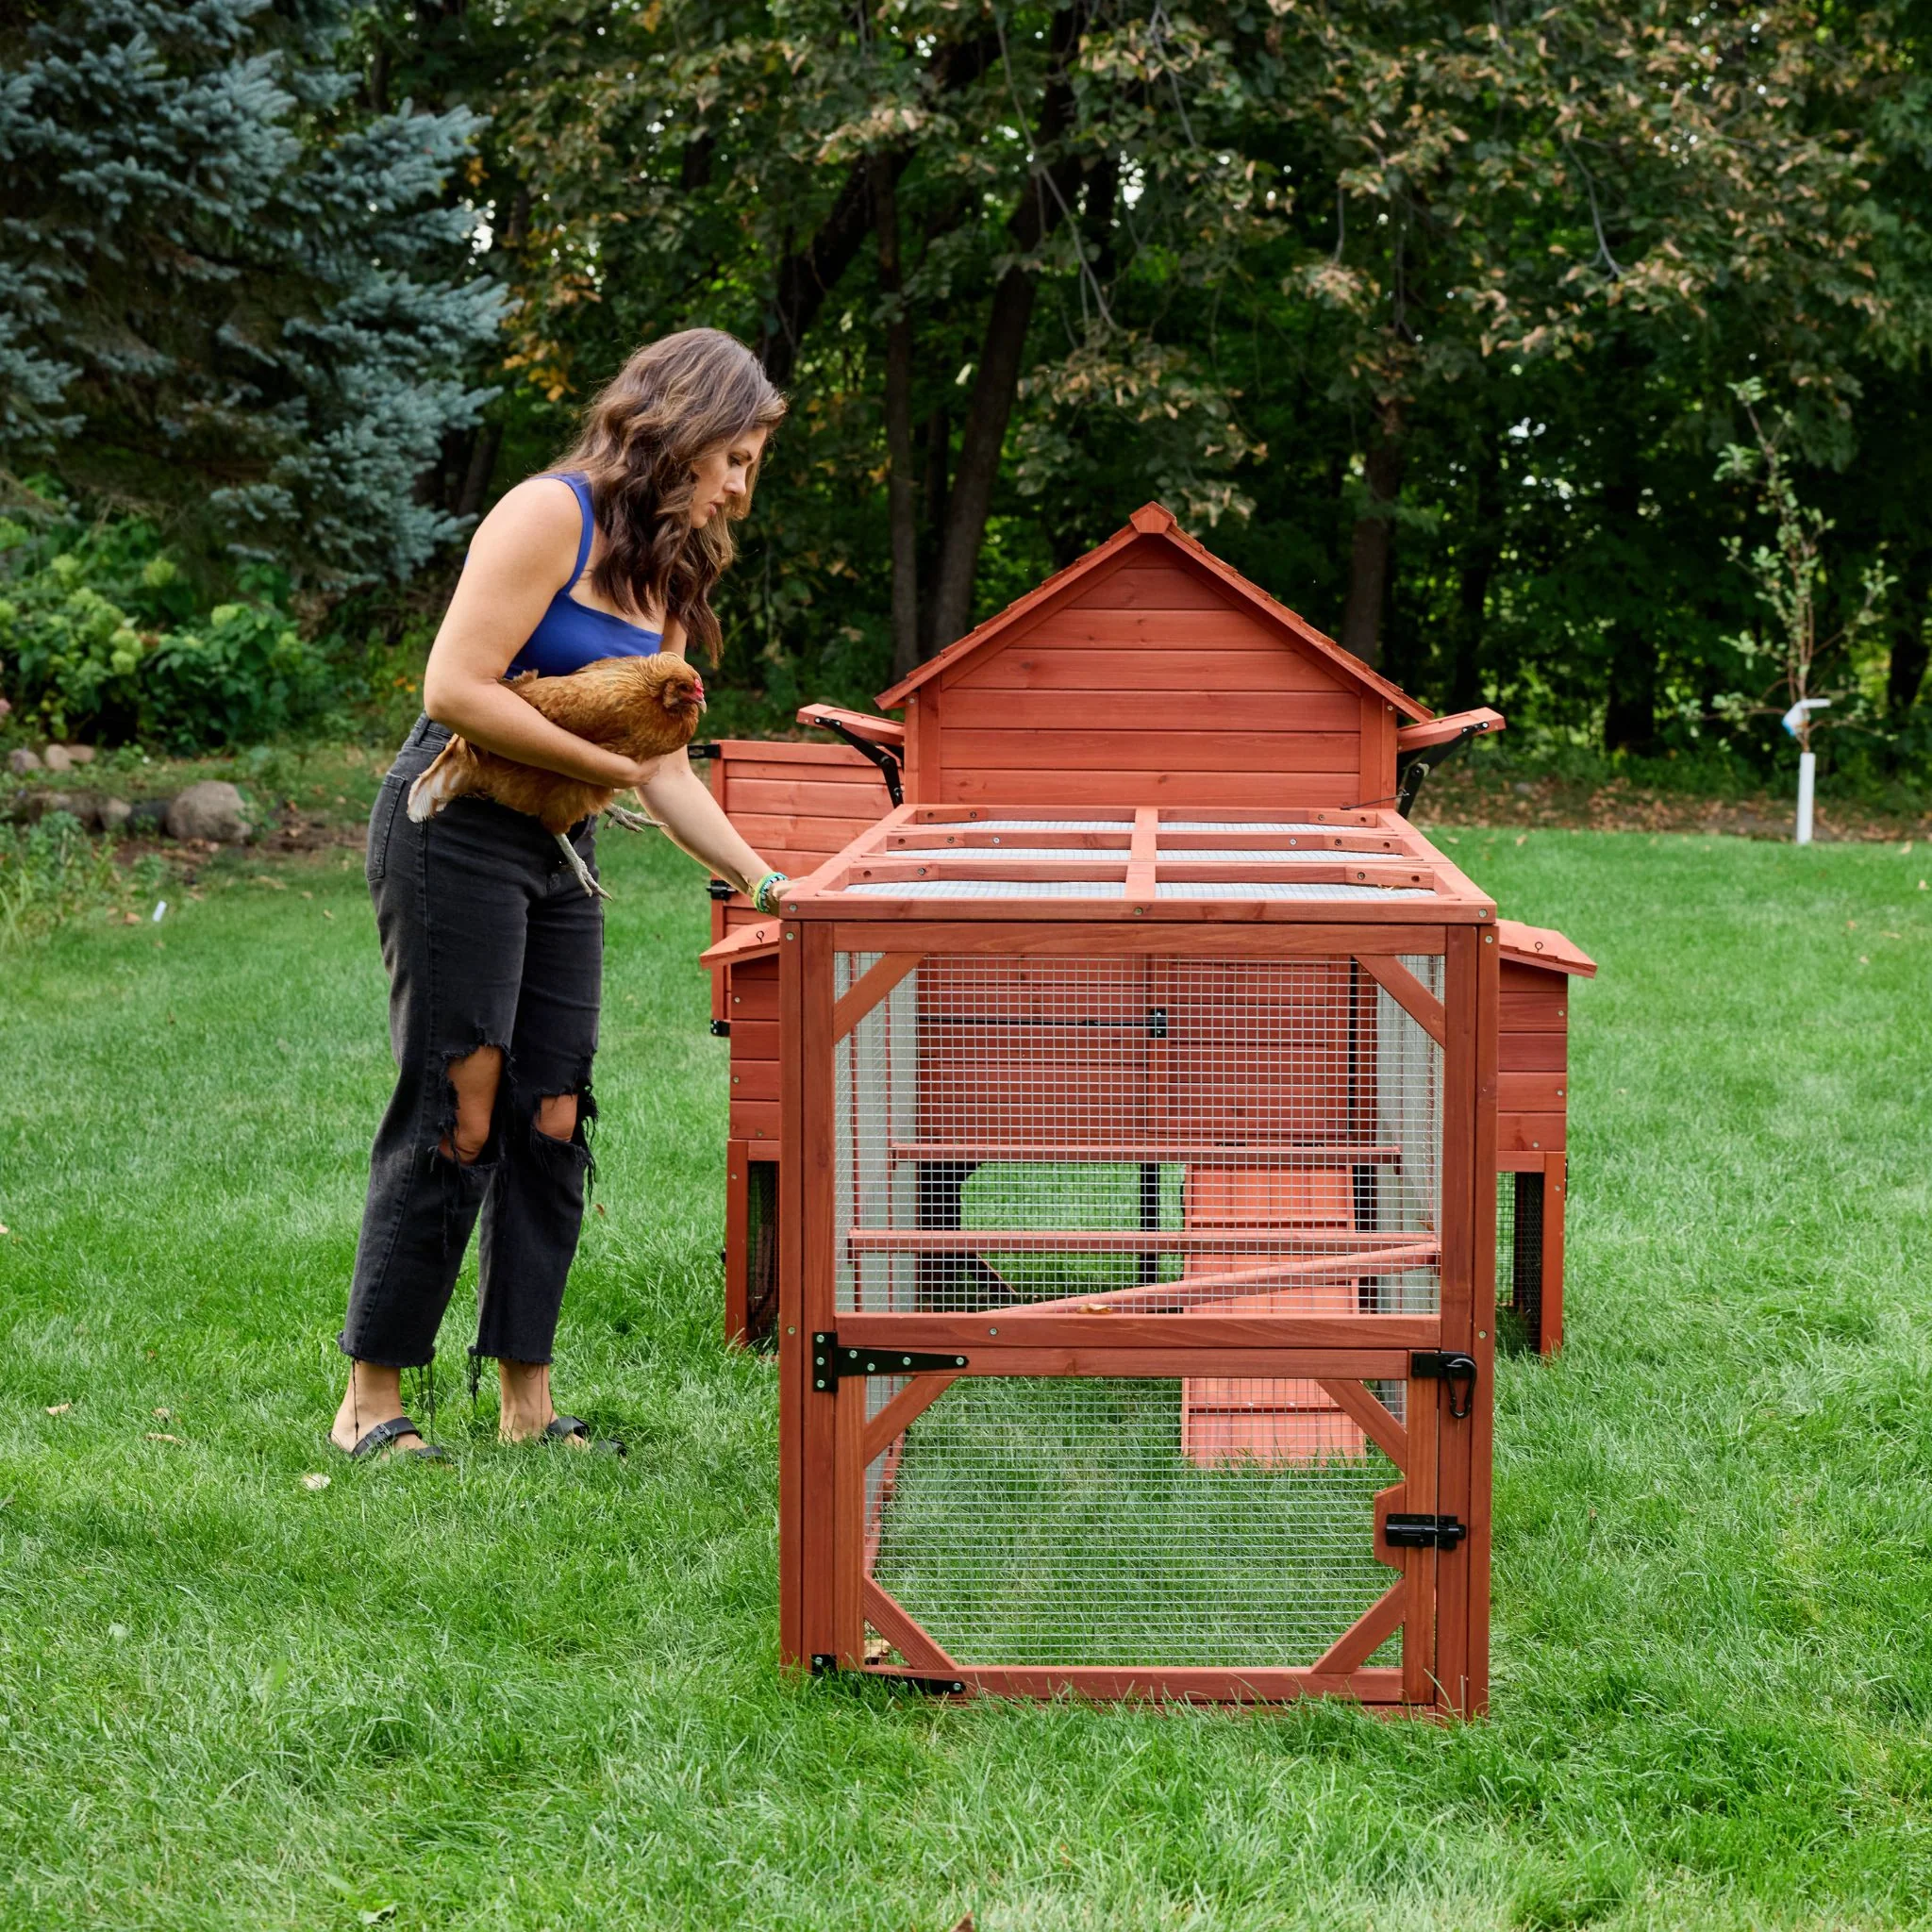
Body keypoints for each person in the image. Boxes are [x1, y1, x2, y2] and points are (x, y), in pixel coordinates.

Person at [330, 328, 788, 1461]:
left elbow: (663, 768)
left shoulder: (664, 570)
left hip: (558, 846)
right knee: (459, 1103)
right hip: (453, 826)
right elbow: (454, 685)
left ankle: (525, 1402)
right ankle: (370, 1401)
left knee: (552, 1112)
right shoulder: (550, 513)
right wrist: (604, 770)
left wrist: (768, 879)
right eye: (733, 455)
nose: (740, 484)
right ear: (677, 423)